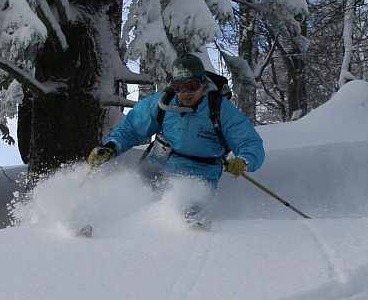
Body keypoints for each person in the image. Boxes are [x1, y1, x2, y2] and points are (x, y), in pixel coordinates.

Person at [87, 53, 265, 222]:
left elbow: (249, 142)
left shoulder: (221, 110)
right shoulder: (162, 103)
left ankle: (181, 232)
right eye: (180, 86)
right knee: (128, 193)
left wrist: (244, 161)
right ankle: (94, 221)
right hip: (159, 165)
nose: (186, 92)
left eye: (192, 85)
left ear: (204, 84)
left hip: (199, 175)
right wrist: (111, 147)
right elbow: (132, 129)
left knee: (176, 206)